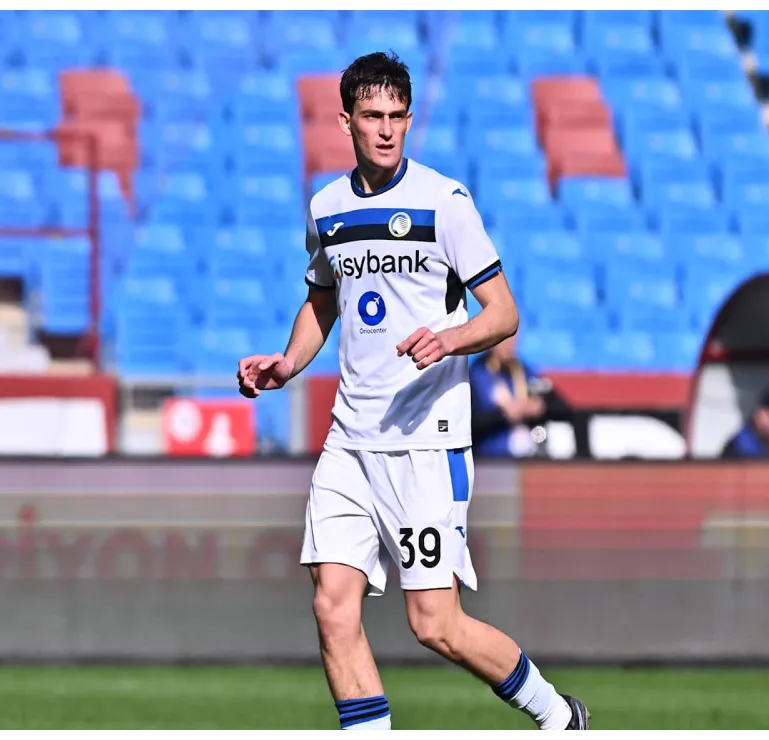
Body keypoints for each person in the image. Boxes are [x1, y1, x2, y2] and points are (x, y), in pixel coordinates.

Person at [237, 52, 589, 731]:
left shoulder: (444, 203)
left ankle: (557, 714)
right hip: (350, 442)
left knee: (435, 623)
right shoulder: (327, 210)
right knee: (331, 605)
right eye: (373, 116)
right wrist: (287, 363)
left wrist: (448, 339)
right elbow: (323, 302)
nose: (388, 130)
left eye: (398, 117)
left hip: (426, 443)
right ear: (346, 121)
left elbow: (503, 313)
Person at [470, 334, 574, 458]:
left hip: (526, 459)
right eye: (503, 338)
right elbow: (470, 423)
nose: (508, 344)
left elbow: (563, 408)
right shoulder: (477, 374)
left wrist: (540, 406)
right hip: (489, 460)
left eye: (512, 337)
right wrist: (503, 414)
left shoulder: (525, 372)